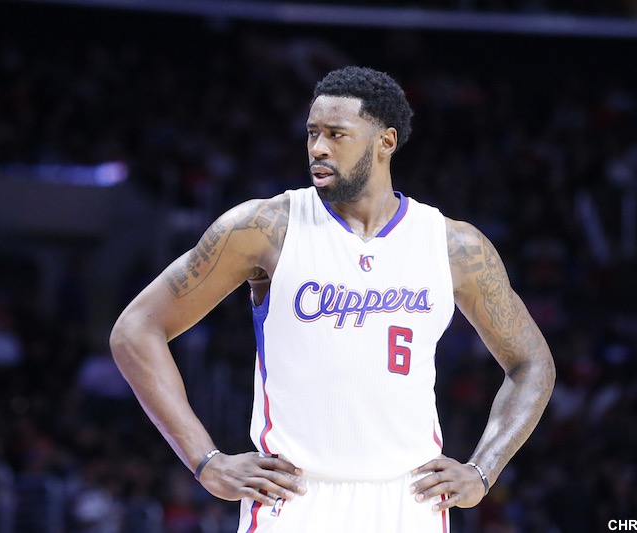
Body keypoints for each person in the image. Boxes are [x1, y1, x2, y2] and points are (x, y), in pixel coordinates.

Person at [109, 65, 555, 532]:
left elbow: (533, 365)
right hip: (295, 497)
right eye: (312, 133)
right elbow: (136, 330)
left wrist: (483, 471)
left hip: (410, 501)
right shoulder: (264, 228)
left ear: (385, 142)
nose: (318, 148)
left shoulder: (453, 246)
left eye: (336, 135)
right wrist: (206, 461)